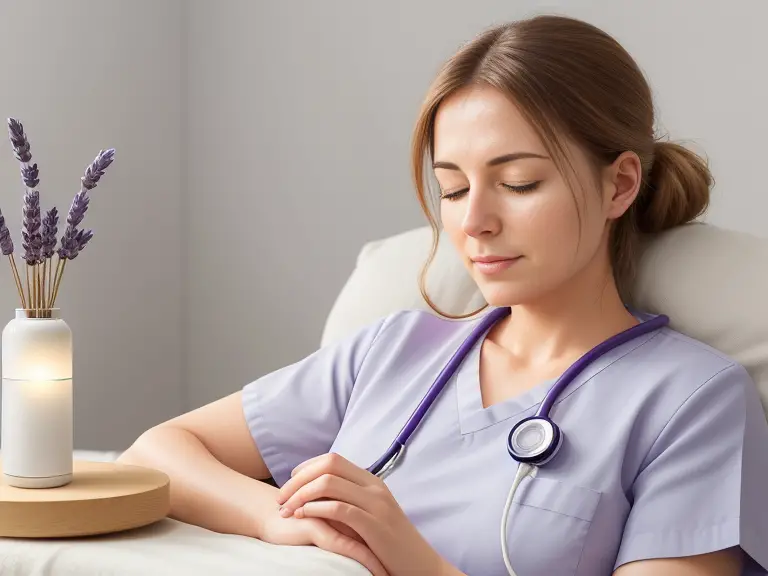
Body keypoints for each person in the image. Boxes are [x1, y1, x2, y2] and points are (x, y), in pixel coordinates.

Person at [117, 14, 768, 576]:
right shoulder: (393, 350)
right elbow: (156, 454)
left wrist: (413, 558)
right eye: (452, 189)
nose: (473, 220)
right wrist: (275, 518)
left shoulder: (692, 401)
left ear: (620, 185)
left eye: (517, 183)